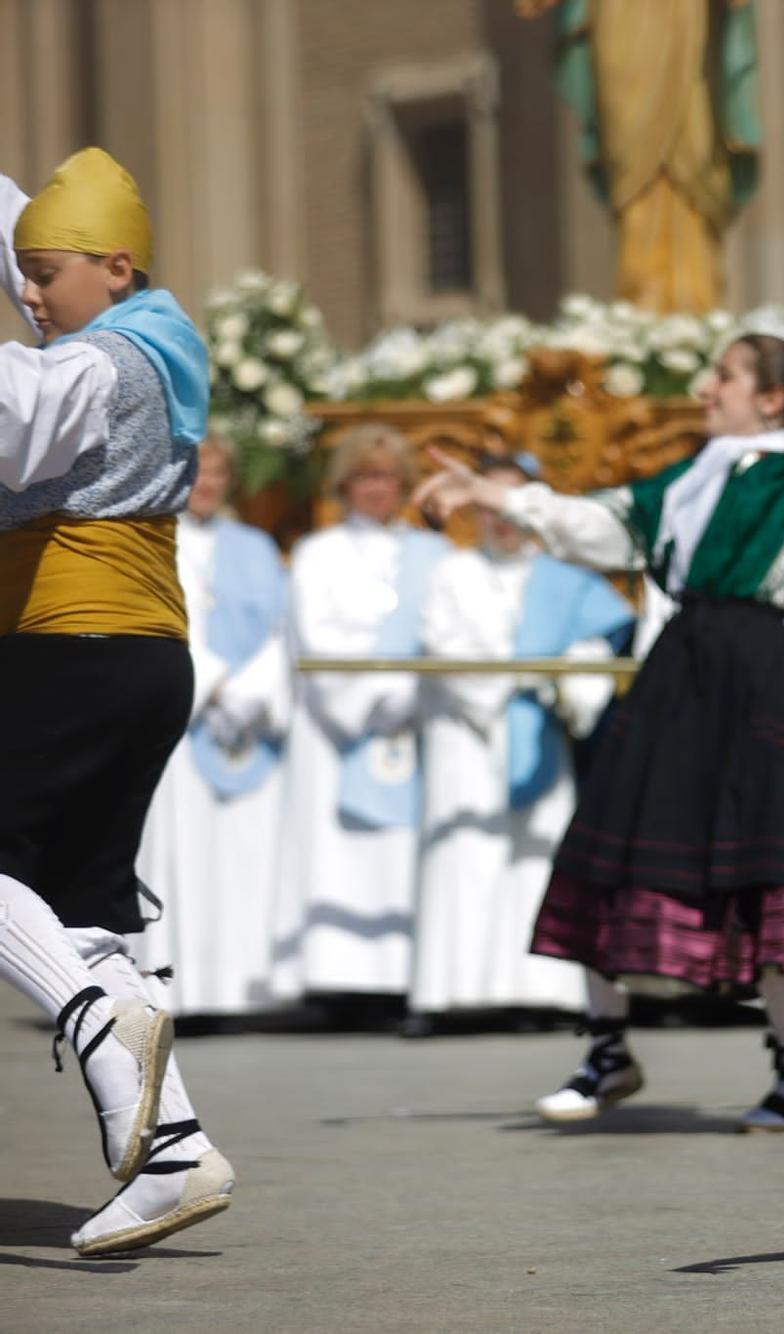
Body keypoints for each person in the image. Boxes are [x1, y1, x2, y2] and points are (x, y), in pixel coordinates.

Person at [415, 333, 784, 1132]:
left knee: (763, 861)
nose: (705, 388)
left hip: (758, 675)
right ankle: (607, 1049)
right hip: (680, 672)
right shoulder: (688, 480)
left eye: (723, 376)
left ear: (770, 399)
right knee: (614, 843)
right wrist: (493, 495)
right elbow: (597, 526)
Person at [0, 148, 233, 1255]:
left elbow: (22, 419)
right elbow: (29, 239)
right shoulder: (153, 333)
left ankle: (100, 1019)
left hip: (74, 647)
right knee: (83, 905)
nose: (27, 290)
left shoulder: (100, 363)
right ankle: (175, 1152)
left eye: (42, 274)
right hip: (133, 650)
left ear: (115, 265)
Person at [408, 455, 633, 1022]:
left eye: (508, 508)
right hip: (467, 739)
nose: (502, 523)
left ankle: (543, 992)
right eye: (488, 508)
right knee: (466, 854)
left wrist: (563, 684)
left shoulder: (564, 578)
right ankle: (457, 994)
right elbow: (444, 645)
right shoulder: (452, 571)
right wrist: (514, 681)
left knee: (537, 856)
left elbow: (594, 648)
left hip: (538, 737)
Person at [272, 425, 448, 1013]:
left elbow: (445, 632)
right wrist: (372, 699)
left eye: (389, 478)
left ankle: (407, 979)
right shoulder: (318, 554)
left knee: (406, 849)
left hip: (415, 721)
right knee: (340, 851)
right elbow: (317, 639)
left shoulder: (434, 554)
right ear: (345, 485)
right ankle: (339, 982)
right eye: (366, 477)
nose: (378, 489)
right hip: (336, 729)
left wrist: (407, 695)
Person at [133, 437, 296, 1019]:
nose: (208, 484)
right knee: (185, 858)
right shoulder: (149, 537)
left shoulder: (255, 546)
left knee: (245, 856)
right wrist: (218, 684)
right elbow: (153, 620)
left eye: (219, 473)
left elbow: (284, 628)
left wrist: (252, 693)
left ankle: (240, 992)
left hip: (249, 724)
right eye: (198, 472)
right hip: (185, 720)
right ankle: (178, 989)